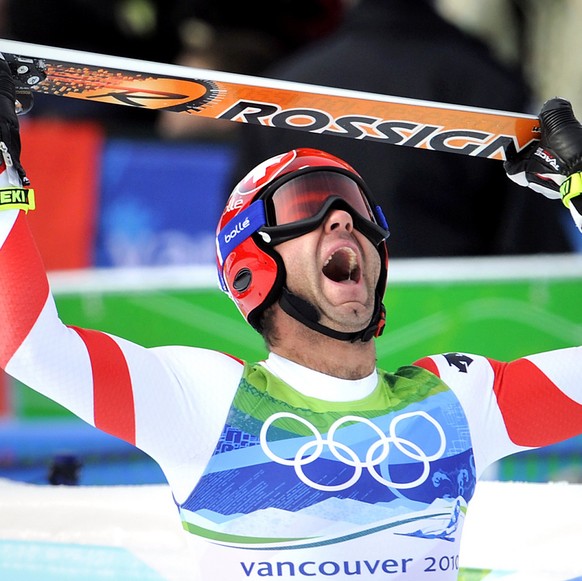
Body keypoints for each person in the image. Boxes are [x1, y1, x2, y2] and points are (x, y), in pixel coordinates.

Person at [1, 56, 582, 581]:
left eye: (355, 208)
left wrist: (578, 187)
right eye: (308, 206)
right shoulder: (206, 402)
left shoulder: (454, 398)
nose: (341, 221)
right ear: (252, 264)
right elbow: (30, 345)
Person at [228, 0, 575, 257]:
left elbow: (242, 236)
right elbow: (535, 252)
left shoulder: (284, 87)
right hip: (460, 327)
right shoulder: (489, 83)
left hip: (318, 324)